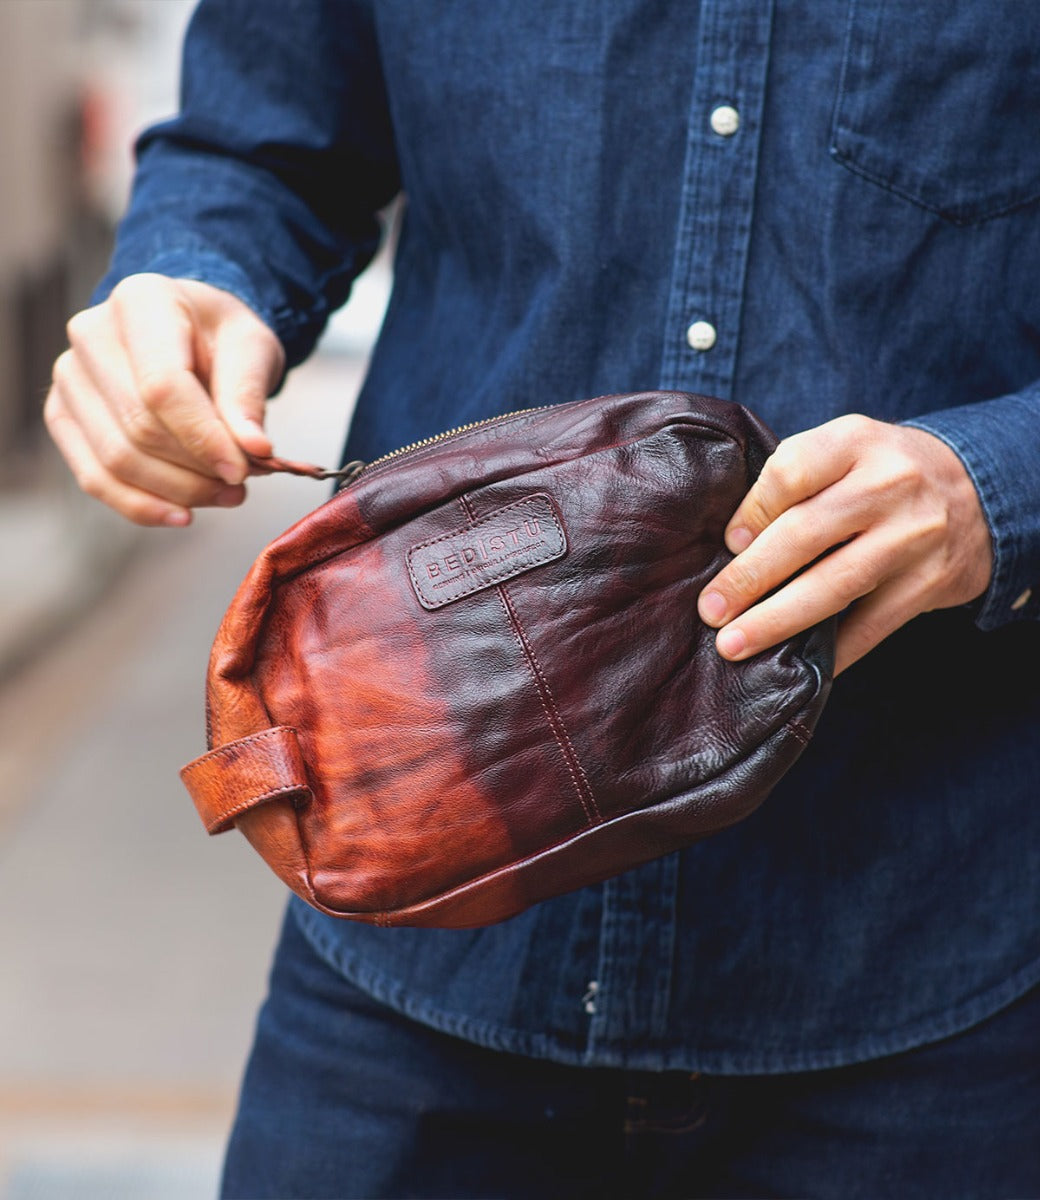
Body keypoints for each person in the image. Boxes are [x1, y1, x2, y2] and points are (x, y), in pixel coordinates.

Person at [45, 2, 1039, 1196]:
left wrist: (999, 483)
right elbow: (261, 140)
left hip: (927, 955)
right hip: (408, 965)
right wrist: (196, 279)